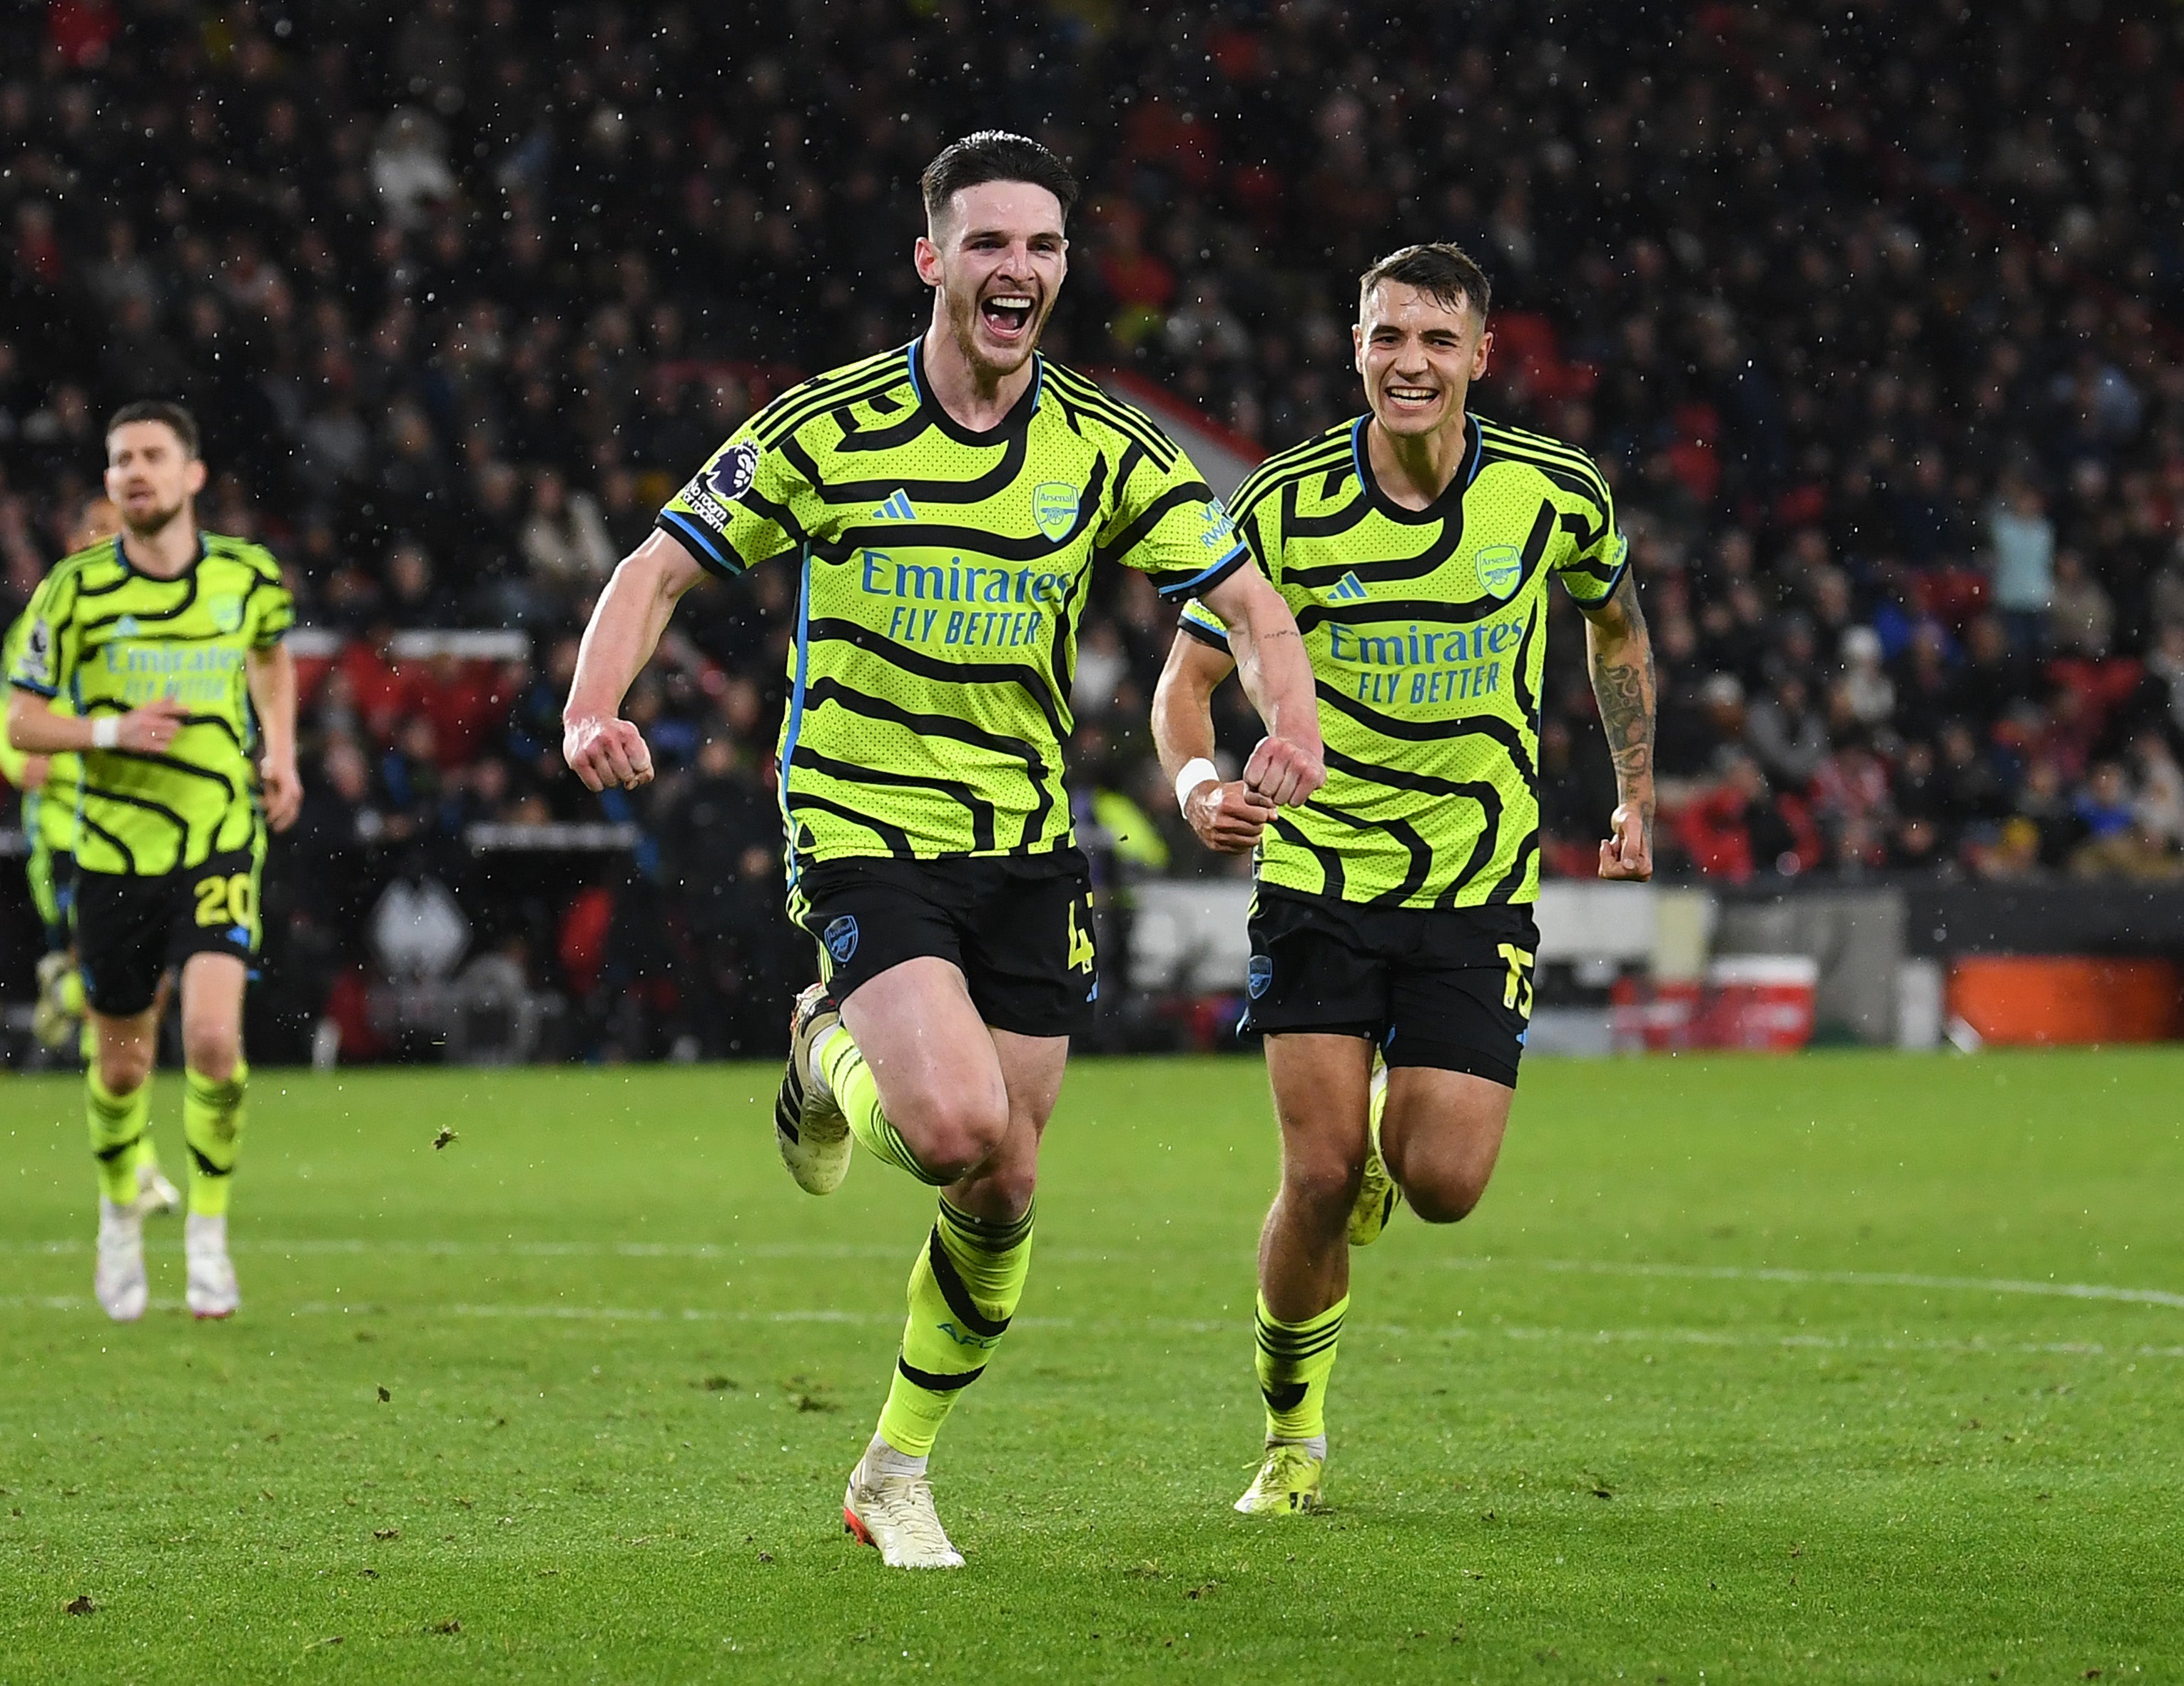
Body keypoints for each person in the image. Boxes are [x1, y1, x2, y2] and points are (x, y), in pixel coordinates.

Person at [562, 131, 1324, 1568]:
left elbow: (1253, 602)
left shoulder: (1104, 443)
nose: (1016, 270)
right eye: (987, 243)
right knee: (958, 1125)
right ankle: (827, 1037)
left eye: (1040, 247)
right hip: (863, 825)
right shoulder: (830, 427)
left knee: (1007, 1180)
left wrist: (1291, 731)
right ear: (931, 259)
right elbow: (658, 563)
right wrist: (593, 698)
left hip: (1027, 842)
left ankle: (894, 1466)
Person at [1152, 243, 1657, 1515]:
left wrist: (1635, 790)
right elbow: (1186, 687)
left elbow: (1615, 628)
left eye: (1437, 340)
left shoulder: (1555, 494)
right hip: (1319, 874)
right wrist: (1197, 787)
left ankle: (1392, 1128)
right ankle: (1291, 1434)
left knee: (1440, 1183)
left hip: (1476, 885)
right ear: (1356, 350)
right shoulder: (1283, 502)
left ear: (1482, 356)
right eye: (1388, 338)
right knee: (1318, 1179)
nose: (1410, 363)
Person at [4, 402, 301, 1322]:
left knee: (212, 1039)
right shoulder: (73, 591)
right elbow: (21, 720)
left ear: (192, 475)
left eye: (152, 456)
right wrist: (109, 730)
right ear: (108, 481)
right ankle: (118, 1213)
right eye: (120, 459)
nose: (134, 471)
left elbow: (271, 656)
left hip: (216, 832)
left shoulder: (248, 575)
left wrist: (281, 751)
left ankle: (209, 1235)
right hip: (112, 849)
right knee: (124, 1064)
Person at [0, 494, 183, 1210]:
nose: (106, 542)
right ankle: (141, 1167)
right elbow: (4, 714)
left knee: (144, 1002)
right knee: (114, 1000)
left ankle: (64, 990)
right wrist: (19, 759)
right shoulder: (45, 616)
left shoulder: (146, 616)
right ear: (74, 540)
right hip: (71, 828)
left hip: (138, 824)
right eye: (95, 530)